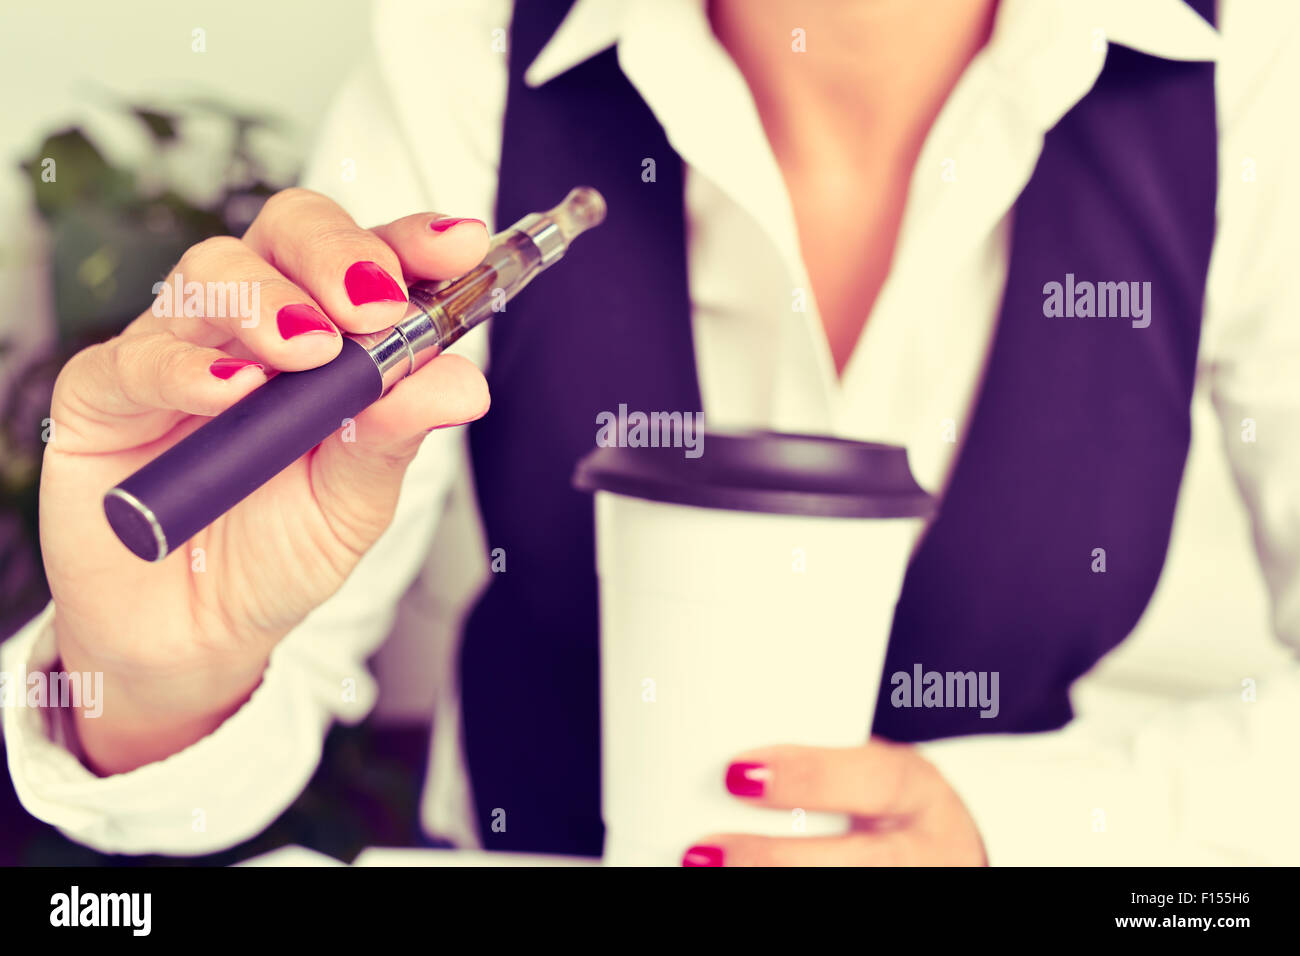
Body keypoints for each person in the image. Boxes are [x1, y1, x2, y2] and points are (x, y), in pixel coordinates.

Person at [5, 0, 1299, 865]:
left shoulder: (1250, 77)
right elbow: (197, 771)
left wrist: (1011, 831)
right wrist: (158, 680)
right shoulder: (471, 45)